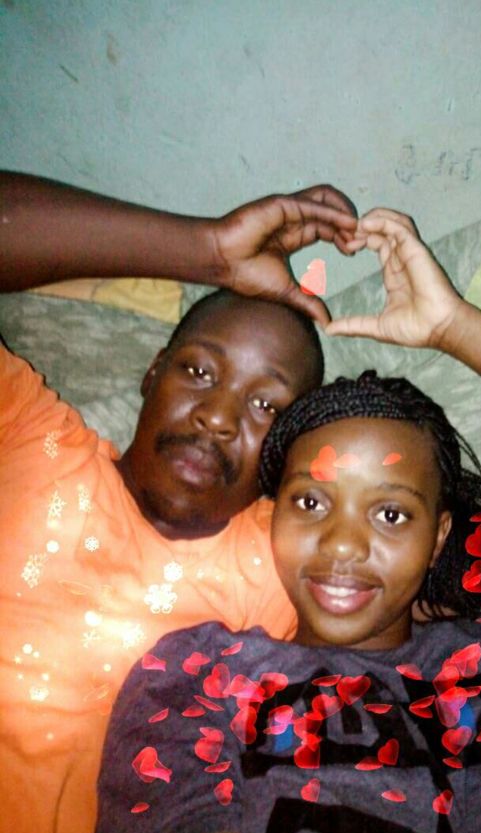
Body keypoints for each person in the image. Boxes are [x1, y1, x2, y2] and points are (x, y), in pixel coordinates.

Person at [96, 208, 481, 832]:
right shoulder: (203, 679)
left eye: (390, 513)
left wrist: (455, 326)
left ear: (437, 538)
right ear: (272, 516)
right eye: (310, 503)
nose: (343, 545)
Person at [0, 171, 361, 833]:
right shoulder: (30, 436)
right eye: (198, 371)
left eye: (265, 405)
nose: (218, 416)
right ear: (152, 372)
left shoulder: (282, 560)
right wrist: (209, 250)